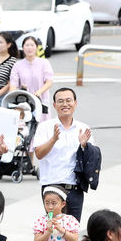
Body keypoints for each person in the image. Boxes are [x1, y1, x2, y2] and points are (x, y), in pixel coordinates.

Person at [31, 87, 94, 221]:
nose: (65, 104)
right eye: (60, 101)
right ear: (54, 105)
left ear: (75, 103)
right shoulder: (45, 127)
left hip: (75, 187)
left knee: (72, 231)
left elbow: (91, 159)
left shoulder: (83, 128)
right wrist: (53, 139)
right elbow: (38, 154)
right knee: (54, 230)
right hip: (52, 187)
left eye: (68, 100)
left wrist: (84, 146)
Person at [10, 36, 54, 122]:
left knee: (42, 125)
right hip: (24, 101)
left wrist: (39, 92)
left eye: (32, 45)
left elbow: (49, 81)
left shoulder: (44, 63)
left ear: (37, 47)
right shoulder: (17, 65)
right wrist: (13, 96)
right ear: (23, 47)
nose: (29, 48)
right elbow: (13, 84)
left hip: (41, 99)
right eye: (27, 45)